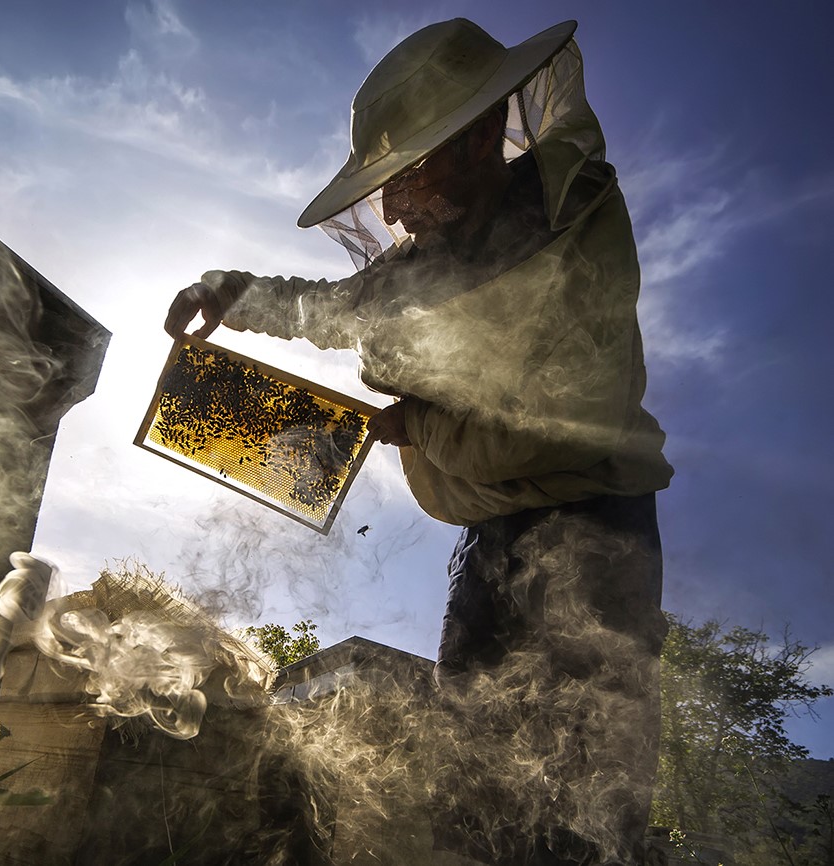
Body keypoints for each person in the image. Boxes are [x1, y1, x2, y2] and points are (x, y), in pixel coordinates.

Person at [164, 18, 673, 866]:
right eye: (385, 185)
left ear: (479, 135)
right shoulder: (421, 260)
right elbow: (329, 307)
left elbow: (561, 420)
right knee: (471, 787)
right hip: (490, 538)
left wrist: (415, 426)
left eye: (409, 174)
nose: (394, 204)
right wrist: (233, 291)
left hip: (593, 535)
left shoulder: (570, 216)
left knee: (582, 803)